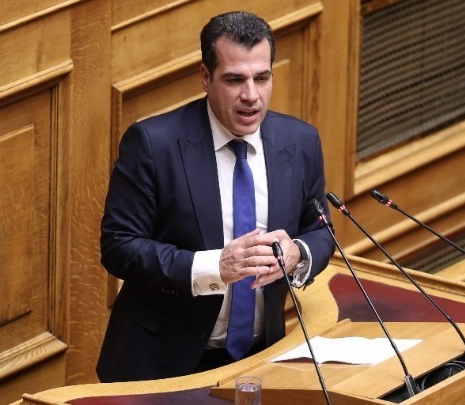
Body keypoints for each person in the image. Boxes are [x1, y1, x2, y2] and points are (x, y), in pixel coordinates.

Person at [96, 10, 335, 382]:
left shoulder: (300, 141)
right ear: (206, 77)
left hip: (259, 360)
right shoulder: (154, 144)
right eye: (235, 79)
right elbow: (119, 246)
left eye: (262, 78)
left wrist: (298, 254)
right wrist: (213, 268)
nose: (251, 96)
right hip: (163, 365)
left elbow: (320, 230)